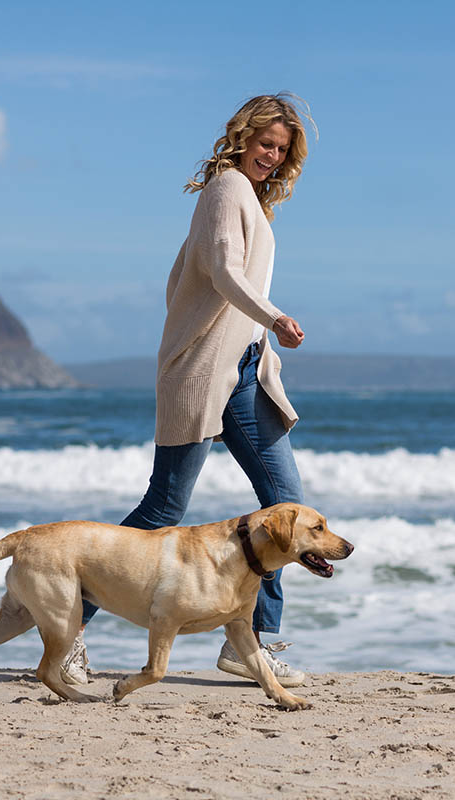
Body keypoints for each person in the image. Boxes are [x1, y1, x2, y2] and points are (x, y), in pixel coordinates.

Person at [63, 93, 316, 688]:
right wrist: (276, 316)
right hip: (204, 375)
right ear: (242, 138)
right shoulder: (226, 188)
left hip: (247, 375)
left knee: (285, 504)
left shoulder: (249, 199)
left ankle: (253, 643)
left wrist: (259, 338)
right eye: (265, 145)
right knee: (164, 508)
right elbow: (224, 273)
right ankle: (70, 628)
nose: (272, 159)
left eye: (282, 152)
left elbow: (197, 280)